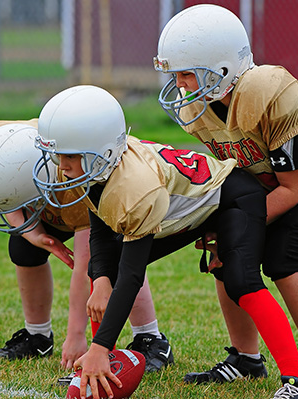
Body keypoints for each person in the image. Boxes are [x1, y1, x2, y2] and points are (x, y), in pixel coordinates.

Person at [32, 84, 298, 399]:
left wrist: (99, 345)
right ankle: (103, 362)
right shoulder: (96, 165)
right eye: (58, 154)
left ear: (101, 152)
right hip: (190, 207)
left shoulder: (135, 186)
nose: (62, 165)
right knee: (108, 267)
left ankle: (293, 379)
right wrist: (101, 279)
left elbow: (133, 276)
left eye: (69, 155)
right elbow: (101, 225)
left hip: (232, 199)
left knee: (241, 279)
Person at [154, 3, 298, 398]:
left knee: (284, 260)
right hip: (265, 189)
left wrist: (239, 225)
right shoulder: (199, 105)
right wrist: (224, 226)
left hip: (294, 188)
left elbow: (293, 187)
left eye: (186, 73)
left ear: (221, 69)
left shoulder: (271, 93)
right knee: (227, 256)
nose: (180, 84)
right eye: (176, 74)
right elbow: (231, 170)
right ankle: (246, 359)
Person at [0, 122, 174, 380]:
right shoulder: (9, 146)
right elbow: (7, 192)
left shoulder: (75, 175)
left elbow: (86, 263)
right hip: (48, 197)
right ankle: (38, 335)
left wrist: (76, 335)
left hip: (108, 199)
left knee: (115, 256)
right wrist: (32, 235)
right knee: (22, 247)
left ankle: (150, 337)